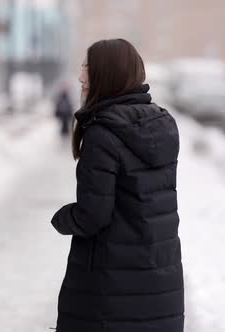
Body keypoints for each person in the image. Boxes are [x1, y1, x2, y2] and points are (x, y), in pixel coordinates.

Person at [50, 39, 184, 332]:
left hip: (111, 289)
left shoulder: (103, 133)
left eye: (87, 66)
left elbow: (93, 214)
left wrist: (62, 218)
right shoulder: (163, 125)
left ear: (105, 73)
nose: (80, 76)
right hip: (160, 283)